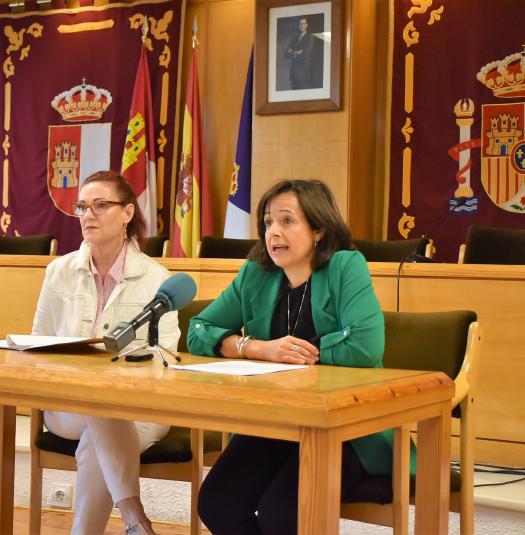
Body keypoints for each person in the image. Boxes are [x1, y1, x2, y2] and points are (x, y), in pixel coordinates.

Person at [189, 179, 395, 534]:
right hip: (277, 421)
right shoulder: (255, 274)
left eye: (287, 221)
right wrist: (257, 348)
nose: (274, 233)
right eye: (268, 222)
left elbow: (365, 346)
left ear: (318, 229)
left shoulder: (346, 266)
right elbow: (197, 330)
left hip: (345, 430)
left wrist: (296, 353)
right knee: (217, 501)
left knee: (282, 512)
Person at [32, 170, 180, 535]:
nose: (88, 215)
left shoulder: (157, 278)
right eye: (83, 206)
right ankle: (134, 516)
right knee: (98, 404)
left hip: (140, 408)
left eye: (100, 205)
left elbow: (169, 356)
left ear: (128, 213)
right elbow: (37, 342)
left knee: (98, 431)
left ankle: (130, 523)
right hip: (67, 404)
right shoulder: (58, 271)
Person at [284, 17, 317, 89]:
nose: (301, 26)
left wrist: (293, 52)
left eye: (303, 24)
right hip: (294, 74)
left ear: (307, 25)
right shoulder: (294, 38)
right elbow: (286, 54)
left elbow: (306, 52)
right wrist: (297, 52)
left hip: (304, 74)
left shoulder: (310, 37)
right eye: (300, 24)